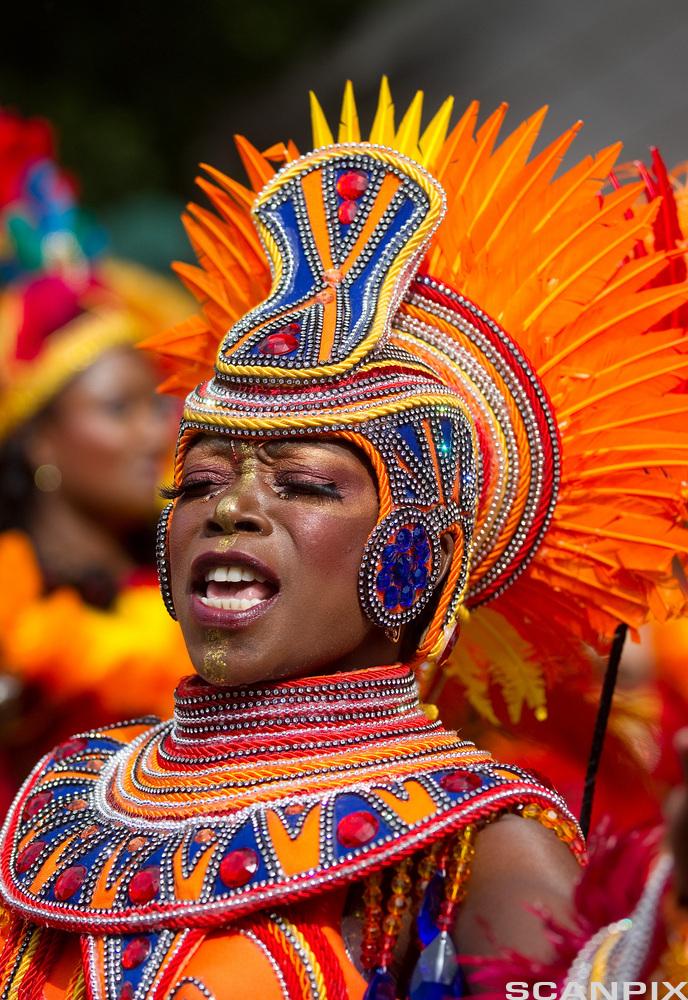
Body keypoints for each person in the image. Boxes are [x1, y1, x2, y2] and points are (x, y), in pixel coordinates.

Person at [0, 81, 686, 998]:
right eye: (198, 482)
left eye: (306, 484)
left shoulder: (469, 845)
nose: (231, 509)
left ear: (419, 555)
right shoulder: (73, 789)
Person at [0, 109, 192, 802]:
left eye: (158, 405)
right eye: (119, 410)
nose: (155, 434)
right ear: (41, 442)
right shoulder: (13, 627)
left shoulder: (192, 577)